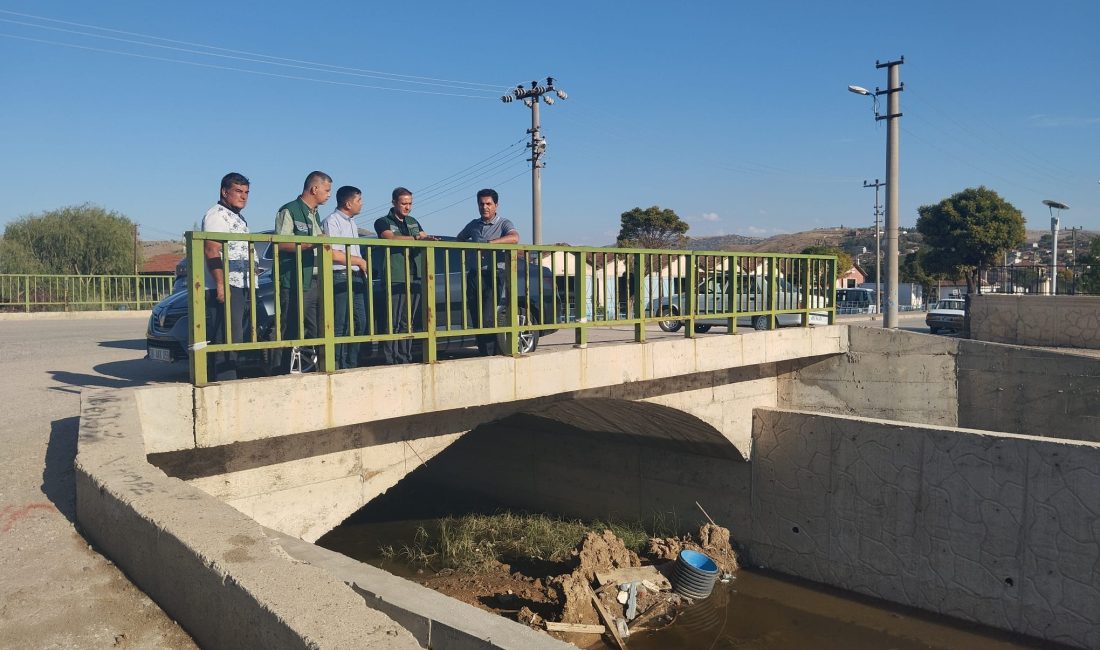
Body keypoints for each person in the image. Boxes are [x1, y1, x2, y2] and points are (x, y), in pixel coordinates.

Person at [275, 170, 332, 372]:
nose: (328, 195)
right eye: (326, 190)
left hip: (314, 279)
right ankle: (284, 370)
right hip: (295, 280)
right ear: (314, 188)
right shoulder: (289, 210)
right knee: (292, 327)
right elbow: (281, 244)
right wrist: (310, 244)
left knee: (315, 328)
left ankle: (310, 368)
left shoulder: (315, 214)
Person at [201, 172, 253, 382]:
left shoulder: (238, 218)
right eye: (238, 191)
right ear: (225, 192)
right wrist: (221, 284)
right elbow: (211, 250)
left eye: (246, 192)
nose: (243, 197)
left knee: (236, 336)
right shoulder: (216, 216)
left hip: (241, 284)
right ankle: (224, 382)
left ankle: (229, 378)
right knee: (226, 336)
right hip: (225, 285)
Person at [373, 187, 433, 364]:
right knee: (393, 321)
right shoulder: (382, 221)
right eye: (404, 203)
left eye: (410, 203)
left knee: (408, 321)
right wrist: (416, 239)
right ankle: (391, 359)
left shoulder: (413, 221)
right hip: (395, 276)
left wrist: (427, 239)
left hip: (415, 276)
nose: (407, 207)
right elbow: (389, 238)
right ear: (394, 203)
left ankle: (405, 358)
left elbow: (423, 235)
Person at [456, 188, 518, 355]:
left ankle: (492, 354)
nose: (485, 207)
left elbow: (514, 238)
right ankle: (483, 352)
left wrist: (491, 244)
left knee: (488, 317)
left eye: (488, 204)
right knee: (476, 316)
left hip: (494, 274)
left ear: (496, 205)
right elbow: (459, 238)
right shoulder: (473, 225)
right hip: (475, 275)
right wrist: (469, 252)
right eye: (481, 204)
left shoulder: (504, 223)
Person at [322, 185, 368, 369]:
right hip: (339, 275)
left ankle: (352, 362)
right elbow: (333, 253)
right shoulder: (332, 221)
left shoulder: (352, 222)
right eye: (359, 200)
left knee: (360, 321)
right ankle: (337, 363)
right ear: (348, 203)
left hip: (355, 275)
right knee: (340, 322)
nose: (361, 204)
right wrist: (358, 260)